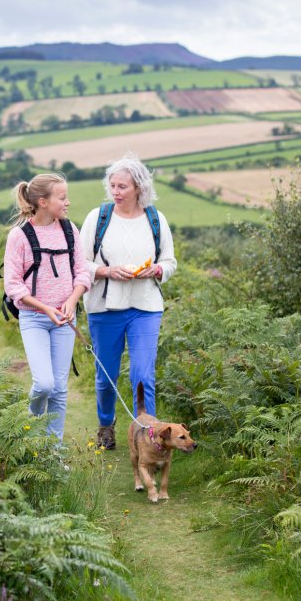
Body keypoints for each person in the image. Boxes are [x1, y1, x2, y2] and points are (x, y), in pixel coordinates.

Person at [80, 154, 177, 450]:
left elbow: (170, 261)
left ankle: (148, 436)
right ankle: (106, 426)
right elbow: (80, 263)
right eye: (112, 185)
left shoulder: (155, 219)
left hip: (145, 306)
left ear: (138, 188)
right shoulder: (98, 218)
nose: (116, 192)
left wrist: (158, 270)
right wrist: (106, 270)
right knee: (106, 376)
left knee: (143, 374)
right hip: (105, 308)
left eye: (122, 186)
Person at [3, 173, 91, 442]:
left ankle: (54, 453)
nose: (68, 202)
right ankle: (29, 430)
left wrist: (72, 301)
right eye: (62, 198)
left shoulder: (69, 230)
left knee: (60, 390)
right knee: (44, 384)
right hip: (34, 319)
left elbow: (82, 272)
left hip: (65, 320)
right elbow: (13, 285)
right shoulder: (19, 236)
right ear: (43, 202)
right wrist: (45, 308)